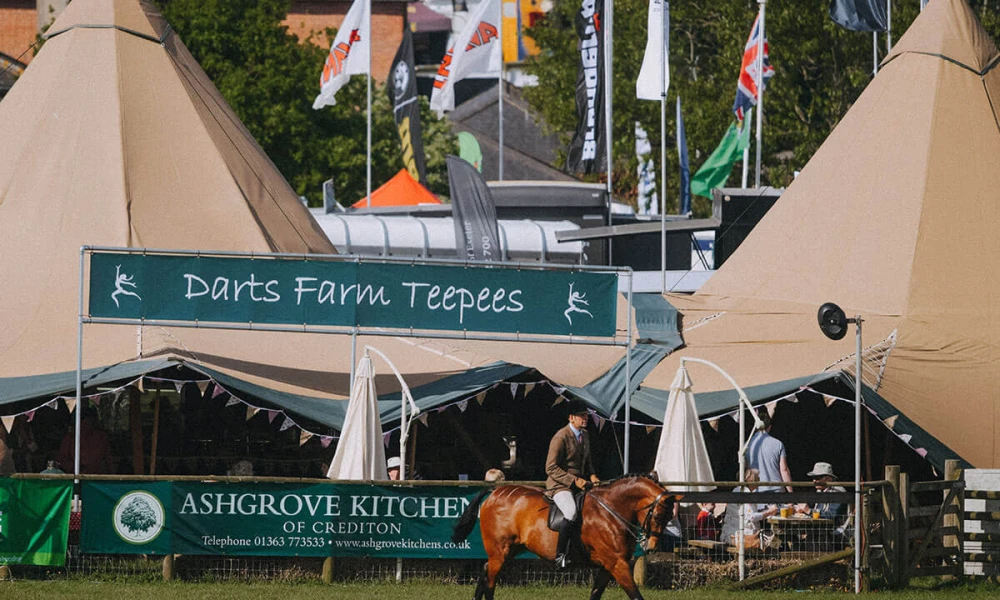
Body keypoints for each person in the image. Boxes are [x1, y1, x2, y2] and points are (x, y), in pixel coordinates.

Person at [545, 400, 600, 569]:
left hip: (580, 484)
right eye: (581, 415)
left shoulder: (585, 435)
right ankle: (560, 555)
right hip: (560, 485)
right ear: (571, 418)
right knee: (571, 511)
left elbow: (587, 462)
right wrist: (574, 481)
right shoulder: (561, 436)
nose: (585, 418)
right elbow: (550, 467)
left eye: (586, 415)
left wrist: (593, 476)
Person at [746, 409, 792, 492]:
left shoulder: (746, 445)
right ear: (769, 427)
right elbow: (784, 470)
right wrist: (791, 493)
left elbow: (746, 470)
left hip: (756, 491)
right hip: (776, 491)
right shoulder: (778, 444)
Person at [57, 407, 114, 474]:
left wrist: (111, 475)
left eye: (91, 420)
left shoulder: (101, 437)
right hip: (76, 477)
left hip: (98, 477)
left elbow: (108, 458)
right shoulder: (70, 437)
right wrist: (75, 468)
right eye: (84, 420)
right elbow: (63, 458)